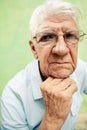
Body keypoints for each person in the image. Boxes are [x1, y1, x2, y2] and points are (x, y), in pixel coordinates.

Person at [1, 0, 87, 130]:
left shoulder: (80, 69)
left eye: (70, 36)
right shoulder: (14, 95)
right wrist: (53, 119)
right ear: (34, 49)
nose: (61, 49)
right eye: (47, 37)